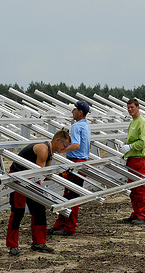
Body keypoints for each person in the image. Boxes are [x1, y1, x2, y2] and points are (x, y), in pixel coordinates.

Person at [6, 130, 71, 256]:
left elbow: (45, 176)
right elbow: (40, 173)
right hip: (19, 179)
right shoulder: (43, 149)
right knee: (18, 212)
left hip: (32, 180)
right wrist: (60, 175)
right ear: (58, 141)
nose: (64, 149)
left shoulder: (50, 153)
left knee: (39, 210)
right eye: (64, 146)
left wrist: (62, 175)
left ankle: (39, 243)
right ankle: (12, 245)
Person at [52, 101, 91, 236]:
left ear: (80, 112)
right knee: (70, 194)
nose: (72, 111)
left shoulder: (76, 126)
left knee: (71, 195)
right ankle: (61, 225)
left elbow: (76, 145)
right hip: (81, 162)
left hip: (74, 162)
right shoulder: (86, 125)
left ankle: (69, 227)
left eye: (74, 109)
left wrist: (61, 150)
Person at [120, 98, 145, 225]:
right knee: (133, 189)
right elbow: (133, 139)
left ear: (138, 107)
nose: (130, 109)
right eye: (128, 108)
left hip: (139, 159)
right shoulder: (132, 122)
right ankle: (136, 213)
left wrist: (131, 147)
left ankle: (142, 216)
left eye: (132, 107)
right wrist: (125, 145)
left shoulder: (142, 122)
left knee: (140, 188)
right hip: (132, 159)